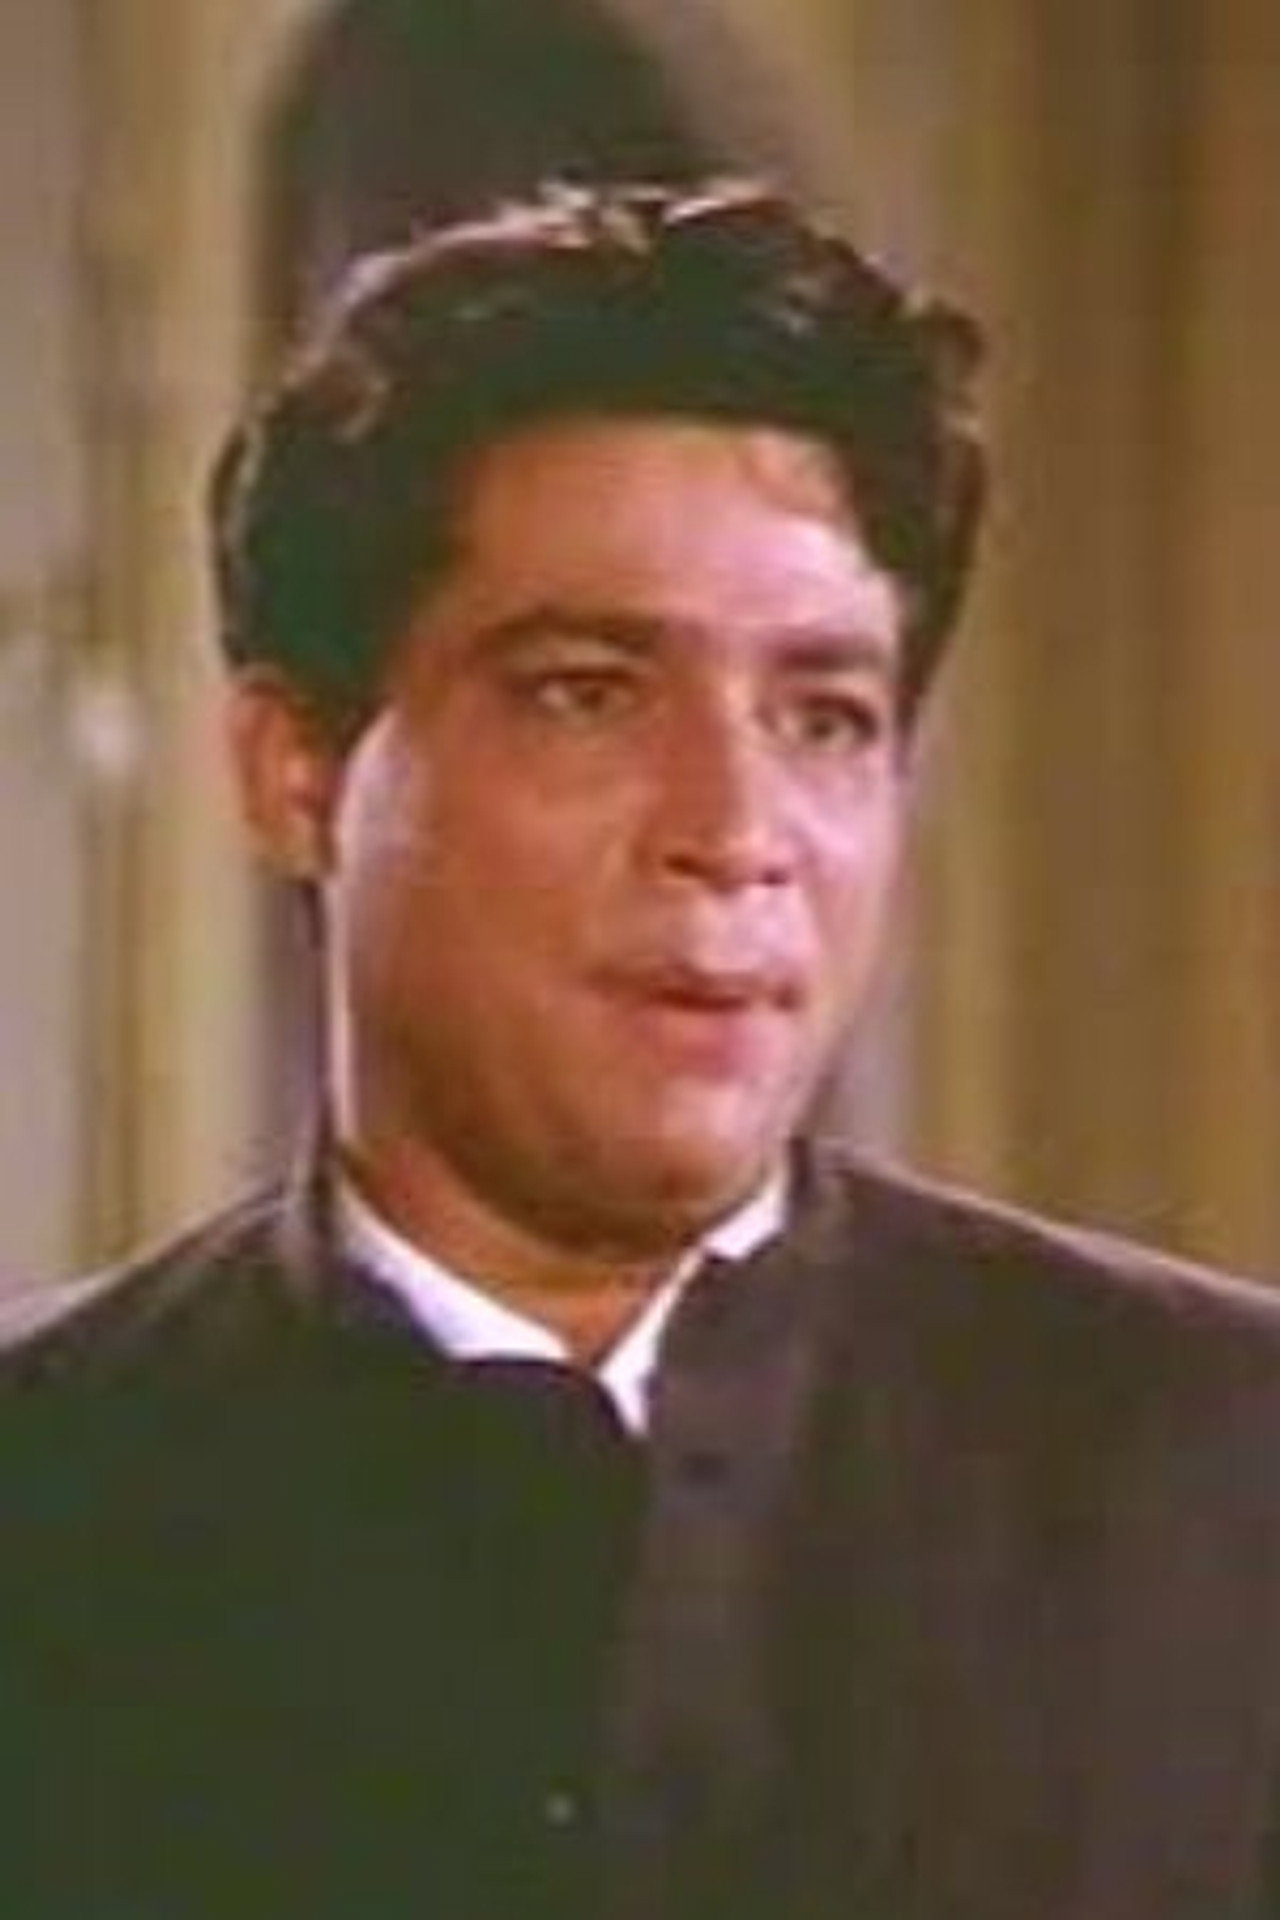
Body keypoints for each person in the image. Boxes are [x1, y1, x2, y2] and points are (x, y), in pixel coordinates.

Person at [3, 178, 1280, 1920]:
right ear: (296, 771)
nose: (734, 831)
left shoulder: (1221, 1474)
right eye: (588, 693)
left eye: (824, 717)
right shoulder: (47, 1486)